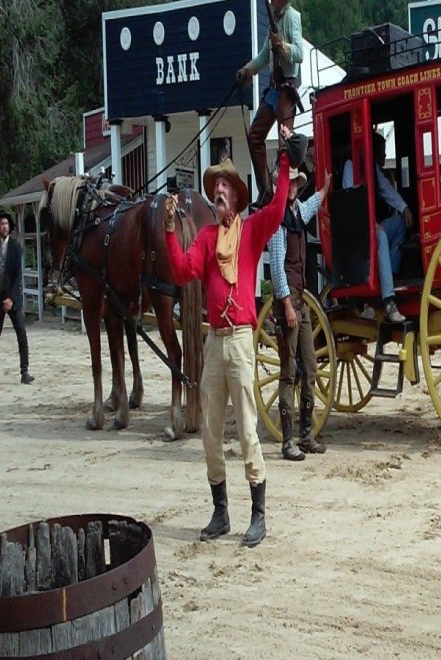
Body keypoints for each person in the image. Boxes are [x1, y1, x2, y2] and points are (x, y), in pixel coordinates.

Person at [163, 126, 306, 548]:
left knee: (246, 430)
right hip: (215, 342)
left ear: (237, 197)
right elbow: (182, 271)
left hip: (241, 340)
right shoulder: (207, 238)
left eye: (225, 185)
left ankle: (258, 515)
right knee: (210, 432)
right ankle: (221, 512)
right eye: (216, 186)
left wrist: (284, 160)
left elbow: (278, 207)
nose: (219, 190)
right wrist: (170, 230)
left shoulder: (253, 230)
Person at [268, 166, 332, 461]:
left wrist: (324, 190)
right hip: (289, 300)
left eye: (295, 182)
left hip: (301, 298)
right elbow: (276, 267)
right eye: (288, 182)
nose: (292, 186)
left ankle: (306, 435)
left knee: (310, 367)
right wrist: (286, 305)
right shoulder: (278, 221)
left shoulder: (294, 212)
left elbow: (309, 207)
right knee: (289, 372)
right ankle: (287, 441)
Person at [237, 0, 303, 206]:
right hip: (275, 88)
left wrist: (282, 46)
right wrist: (248, 69)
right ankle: (266, 192)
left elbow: (299, 54)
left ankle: (284, 196)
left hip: (287, 88)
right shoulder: (273, 19)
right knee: (254, 136)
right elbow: (265, 56)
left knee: (285, 145)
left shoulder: (292, 17)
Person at [342, 132, 413, 323]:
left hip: (372, 225)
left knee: (399, 224)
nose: (383, 155)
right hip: (358, 229)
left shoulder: (372, 167)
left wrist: (404, 208)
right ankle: (389, 301)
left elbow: (386, 190)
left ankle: (391, 276)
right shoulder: (350, 167)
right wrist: (369, 223)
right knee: (380, 236)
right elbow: (350, 201)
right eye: (381, 150)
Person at [0, 212, 34, 387]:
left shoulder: (16, 248)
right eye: (1, 224)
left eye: (6, 224)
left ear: (9, 227)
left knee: (22, 334)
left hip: (13, 298)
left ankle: (24, 372)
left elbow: (18, 276)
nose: (4, 227)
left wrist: (11, 298)